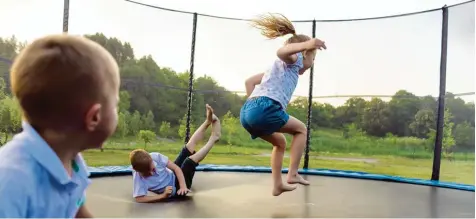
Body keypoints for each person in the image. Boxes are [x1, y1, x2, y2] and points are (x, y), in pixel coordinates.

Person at [0, 34, 120, 217]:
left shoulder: (71, 161)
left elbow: (77, 209)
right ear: (94, 117)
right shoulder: (12, 180)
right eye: (115, 104)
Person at [240, 13, 327, 196]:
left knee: (279, 142)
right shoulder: (293, 61)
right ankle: (293, 174)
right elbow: (281, 51)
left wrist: (254, 106)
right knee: (301, 130)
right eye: (313, 58)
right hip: (265, 108)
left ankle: (277, 185)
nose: (312, 63)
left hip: (247, 113)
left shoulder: (272, 71)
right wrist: (308, 43)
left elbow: (249, 82)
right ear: (305, 53)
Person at [130, 104, 221, 203]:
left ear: (150, 158)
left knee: (187, 149)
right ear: (137, 171)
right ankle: (213, 139)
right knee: (188, 162)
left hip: (176, 179)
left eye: (152, 169)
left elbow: (176, 168)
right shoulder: (138, 176)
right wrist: (162, 196)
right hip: (176, 189)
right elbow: (139, 198)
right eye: (147, 173)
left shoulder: (155, 157)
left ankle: (208, 121)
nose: (152, 173)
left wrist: (183, 186)